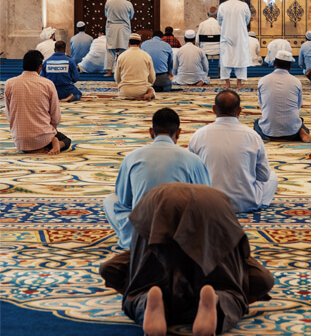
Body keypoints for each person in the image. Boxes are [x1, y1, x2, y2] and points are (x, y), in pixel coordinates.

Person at [99, 182, 274, 336]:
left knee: (138, 290)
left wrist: (133, 274)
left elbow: (109, 269)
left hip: (156, 206)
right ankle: (218, 302)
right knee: (233, 293)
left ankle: (146, 303)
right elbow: (263, 279)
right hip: (212, 207)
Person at [103, 108, 211, 249]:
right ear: (179, 133)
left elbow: (124, 200)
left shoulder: (133, 157)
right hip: (180, 234)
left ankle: (131, 239)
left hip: (142, 232)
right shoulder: (193, 160)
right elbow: (206, 201)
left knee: (110, 200)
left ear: (150, 132)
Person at [188, 90, 279, 213]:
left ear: (214, 109)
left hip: (208, 202)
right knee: (272, 176)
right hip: (245, 203)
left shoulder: (199, 135)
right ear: (239, 111)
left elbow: (190, 174)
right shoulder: (252, 136)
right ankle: (259, 204)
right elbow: (263, 176)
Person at [4, 50, 71, 155]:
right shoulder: (47, 84)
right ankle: (52, 143)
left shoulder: (9, 83)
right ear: (40, 67)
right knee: (67, 141)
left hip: (20, 140)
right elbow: (56, 117)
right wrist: (50, 131)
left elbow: (9, 115)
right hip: (43, 137)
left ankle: (33, 148)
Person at [254, 50, 311, 143]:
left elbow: (262, 104)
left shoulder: (263, 80)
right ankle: (300, 131)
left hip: (269, 131)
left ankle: (271, 136)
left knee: (257, 123)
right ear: (290, 66)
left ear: (274, 63)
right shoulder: (296, 82)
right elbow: (298, 105)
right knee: (299, 120)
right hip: (291, 132)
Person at [218, 0, 251, 88]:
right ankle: (239, 83)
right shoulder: (243, 5)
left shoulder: (222, 6)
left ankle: (227, 83)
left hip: (226, 35)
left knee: (225, 58)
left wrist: (226, 27)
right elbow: (247, 20)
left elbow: (220, 21)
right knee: (240, 57)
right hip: (240, 36)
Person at [115, 33, 156, 100]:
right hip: (142, 91)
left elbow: (117, 77)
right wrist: (147, 85)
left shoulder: (121, 56)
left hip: (125, 92)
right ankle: (144, 96)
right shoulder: (146, 56)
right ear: (140, 44)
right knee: (151, 89)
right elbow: (152, 77)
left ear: (128, 44)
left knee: (124, 91)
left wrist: (121, 85)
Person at [104, 0, 134, 77]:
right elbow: (131, 16)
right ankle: (122, 72)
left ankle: (109, 72)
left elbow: (106, 15)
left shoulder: (108, 2)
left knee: (110, 50)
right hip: (124, 28)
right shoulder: (128, 4)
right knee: (124, 50)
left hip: (112, 27)